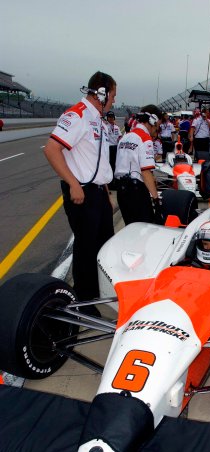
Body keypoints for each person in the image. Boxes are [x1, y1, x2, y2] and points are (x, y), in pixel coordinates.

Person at [44, 71, 117, 312]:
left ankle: (98, 292)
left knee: (104, 246)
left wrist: (106, 189)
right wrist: (73, 183)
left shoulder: (98, 119)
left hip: (98, 193)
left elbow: (98, 160)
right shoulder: (78, 115)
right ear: (102, 93)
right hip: (82, 193)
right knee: (86, 248)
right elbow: (52, 149)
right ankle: (84, 302)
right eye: (113, 96)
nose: (114, 101)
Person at [114, 104, 163, 226]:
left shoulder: (126, 136)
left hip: (121, 191)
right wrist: (156, 199)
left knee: (130, 229)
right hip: (136, 192)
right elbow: (145, 172)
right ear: (153, 121)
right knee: (144, 230)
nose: (157, 130)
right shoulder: (145, 139)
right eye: (157, 126)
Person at [105, 110, 122, 189]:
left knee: (115, 165)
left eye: (112, 117)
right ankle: (109, 183)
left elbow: (120, 137)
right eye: (109, 117)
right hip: (108, 148)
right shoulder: (104, 127)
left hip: (115, 148)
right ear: (107, 118)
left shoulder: (117, 127)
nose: (111, 119)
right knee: (108, 166)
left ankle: (114, 182)